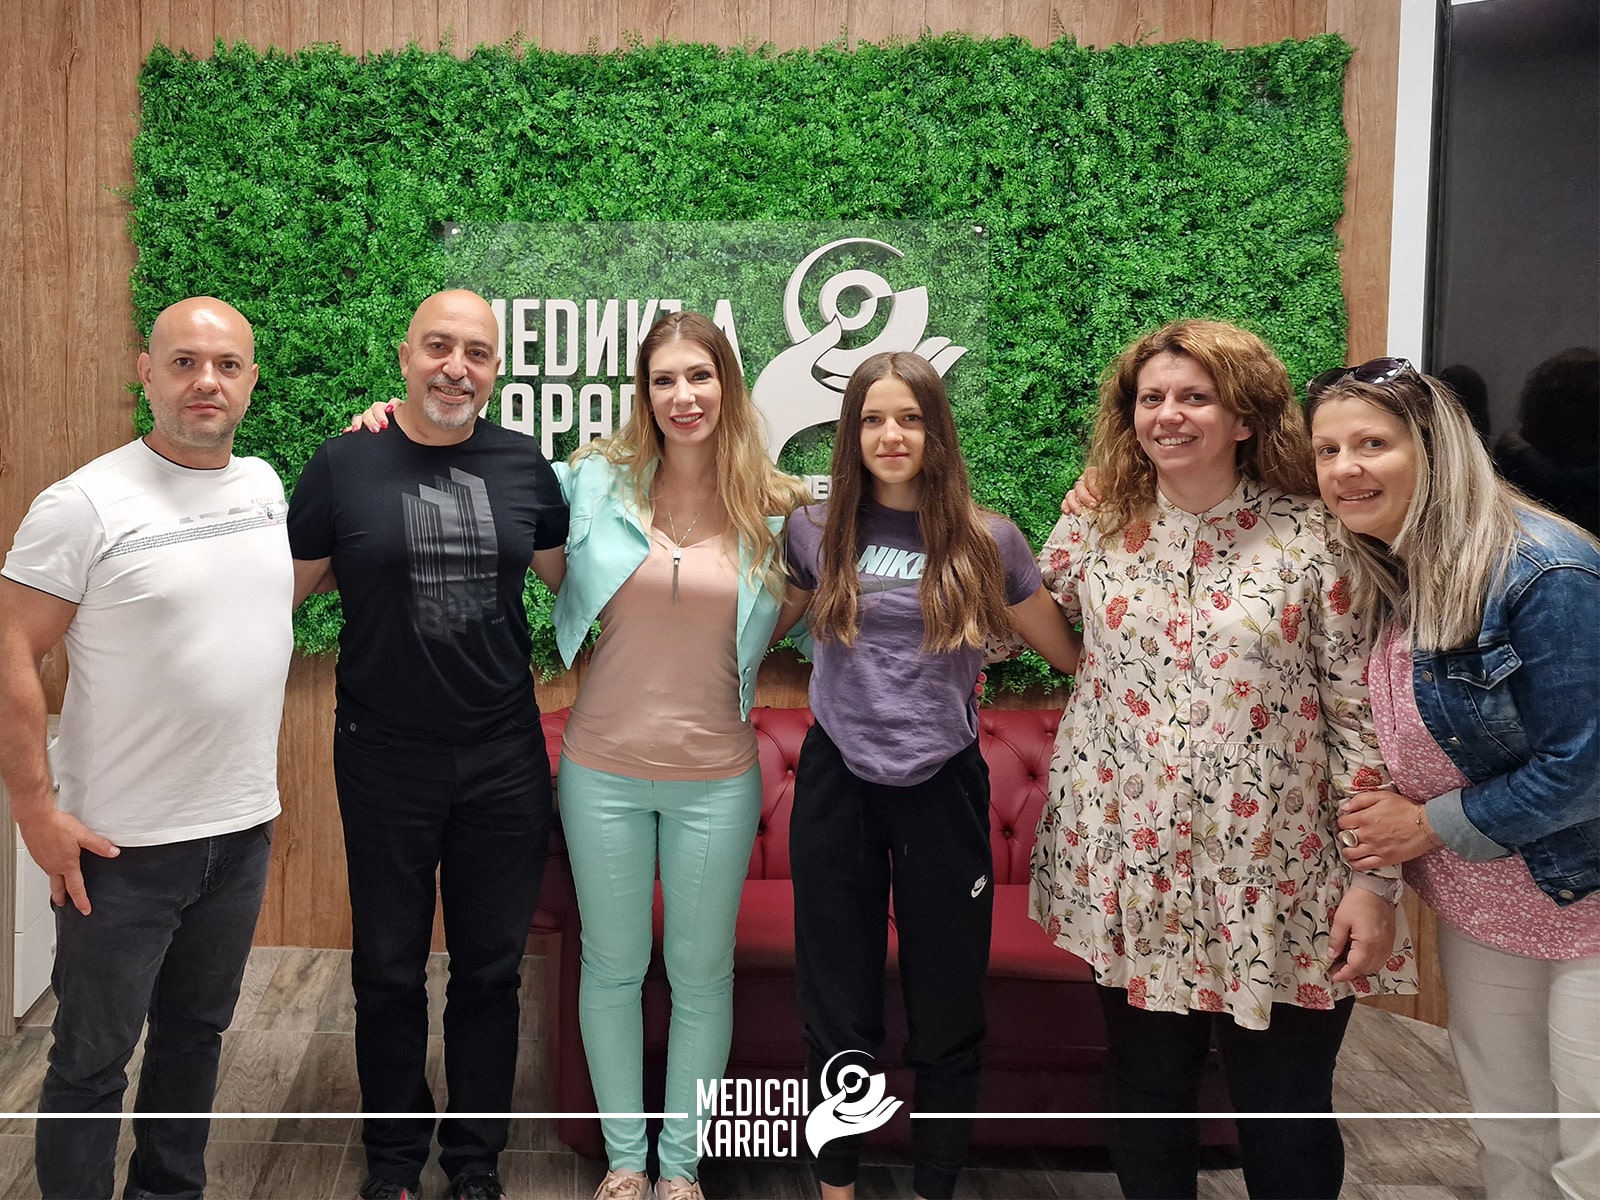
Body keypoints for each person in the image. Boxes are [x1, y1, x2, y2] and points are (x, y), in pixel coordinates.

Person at [1034, 320, 1415, 1200]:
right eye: (1152, 398)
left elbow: (1361, 716)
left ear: (1244, 418)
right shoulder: (1098, 525)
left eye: (1195, 397)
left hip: (1282, 876)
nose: (1169, 414)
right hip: (1131, 868)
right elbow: (1011, 625)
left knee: (1284, 1107)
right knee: (1147, 1091)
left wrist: (1375, 881)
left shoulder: (1316, 538)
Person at [0, 298, 291, 1200]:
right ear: (147, 372)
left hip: (240, 831)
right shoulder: (83, 504)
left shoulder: (264, 487)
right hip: (118, 847)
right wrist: (35, 811)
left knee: (195, 1038)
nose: (207, 381)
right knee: (92, 1060)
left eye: (227, 365)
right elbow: (11, 651)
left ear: (250, 381)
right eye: (185, 362)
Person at [778, 351, 1080, 1200]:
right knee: (837, 1008)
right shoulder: (812, 529)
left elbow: (1068, 654)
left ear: (936, 431)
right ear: (851, 433)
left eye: (909, 418)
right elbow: (752, 625)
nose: (891, 435)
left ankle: (935, 1187)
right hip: (837, 782)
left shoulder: (989, 540)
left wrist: (1094, 521)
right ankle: (836, 1188)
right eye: (873, 419)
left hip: (943, 787)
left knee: (947, 1009)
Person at [288, 289, 569, 1200]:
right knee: (386, 970)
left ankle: (476, 1162)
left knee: (490, 972)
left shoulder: (525, 465)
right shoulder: (343, 462)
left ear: (496, 370)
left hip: (503, 757)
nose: (456, 366)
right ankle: (395, 1164)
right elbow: (279, 594)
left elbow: (578, 579)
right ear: (406, 356)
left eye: (476, 352)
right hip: (383, 757)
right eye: (439, 347)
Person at [1309, 360, 1600, 1200]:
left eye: (1372, 444)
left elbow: (1586, 767)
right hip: (1492, 906)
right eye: (1327, 450)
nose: (1345, 468)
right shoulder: (1396, 568)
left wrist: (1428, 825)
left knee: (1590, 1146)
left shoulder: (1546, 571)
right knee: (1510, 1130)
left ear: (1436, 449)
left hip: (1586, 896)